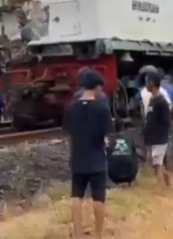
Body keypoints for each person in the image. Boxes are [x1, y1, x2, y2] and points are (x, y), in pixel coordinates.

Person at [63, 68, 114, 239]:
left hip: (78, 157)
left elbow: (69, 132)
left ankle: (77, 233)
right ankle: (98, 234)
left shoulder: (71, 107)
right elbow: (106, 137)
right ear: (97, 87)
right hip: (97, 159)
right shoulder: (102, 108)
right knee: (98, 197)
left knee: (76, 195)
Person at [143, 72, 171, 188]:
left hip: (160, 137)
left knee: (158, 164)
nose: (146, 85)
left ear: (152, 83)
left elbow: (166, 121)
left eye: (147, 82)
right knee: (158, 164)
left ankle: (160, 189)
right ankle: (168, 185)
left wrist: (161, 135)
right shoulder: (152, 99)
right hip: (153, 138)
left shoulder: (161, 102)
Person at [106, 119, 139, 186]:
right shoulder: (129, 138)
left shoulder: (108, 139)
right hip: (131, 173)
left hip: (113, 174)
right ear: (123, 128)